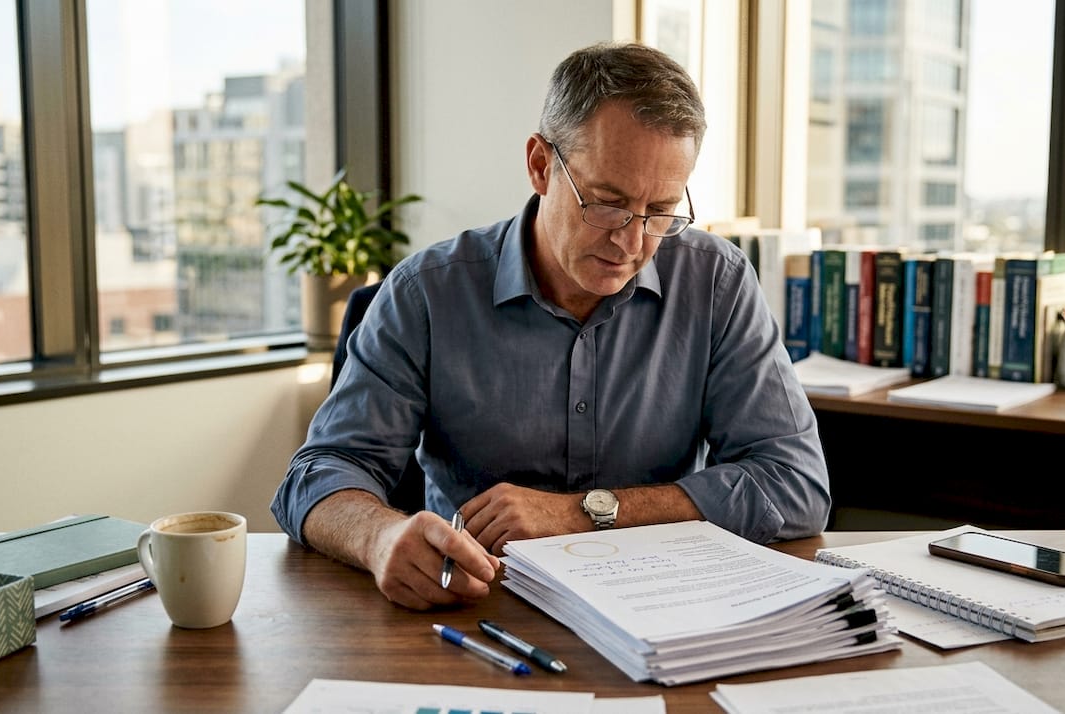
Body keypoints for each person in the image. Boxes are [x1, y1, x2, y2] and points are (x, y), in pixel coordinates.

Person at [271, 41, 831, 611]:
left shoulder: (717, 281)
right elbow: (318, 473)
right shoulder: (426, 293)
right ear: (541, 165)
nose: (632, 243)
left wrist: (581, 512)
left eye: (660, 211)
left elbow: (797, 484)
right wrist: (379, 535)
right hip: (474, 607)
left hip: (662, 608)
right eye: (608, 203)